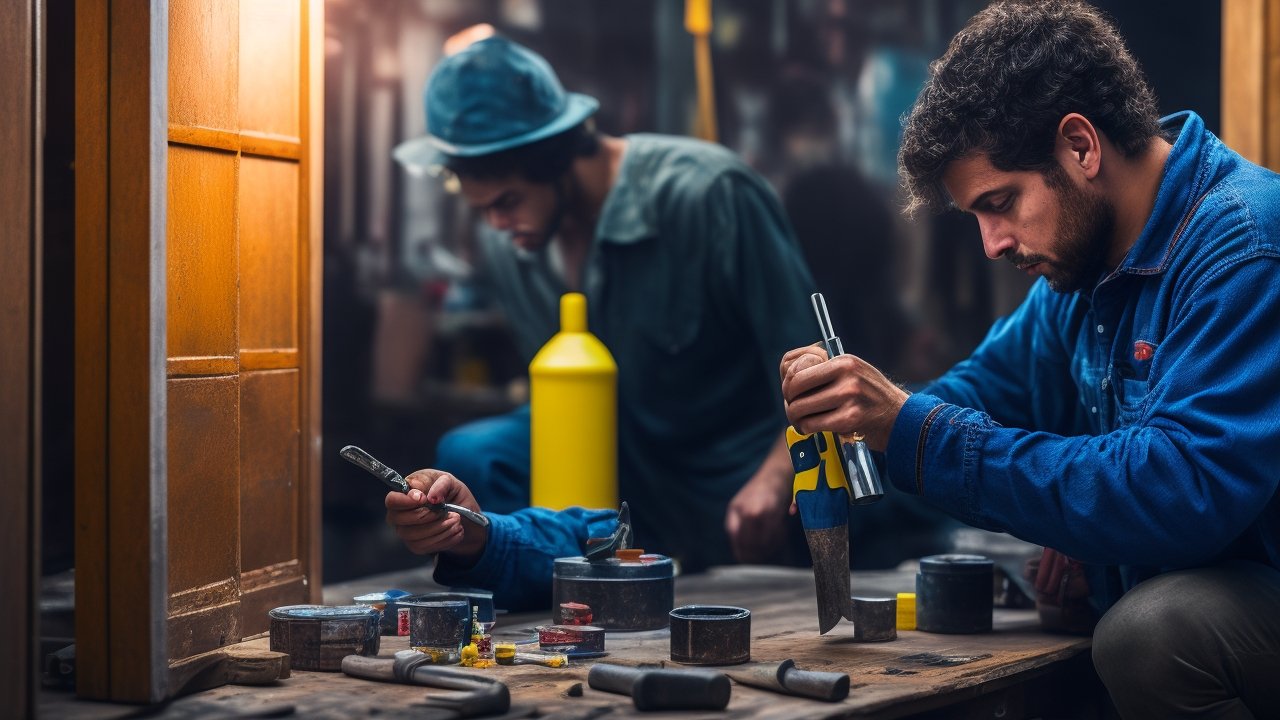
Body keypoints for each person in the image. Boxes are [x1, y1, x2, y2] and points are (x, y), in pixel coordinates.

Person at [779, 2, 1280, 717]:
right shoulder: (1084, 271)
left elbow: (1181, 487)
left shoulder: (1245, 243)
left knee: (1151, 631)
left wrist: (912, 427)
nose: (992, 243)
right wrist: (865, 414)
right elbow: (984, 392)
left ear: (1080, 146)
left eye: (1001, 203)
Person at [392, 35, 818, 571]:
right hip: (613, 470)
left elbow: (817, 364)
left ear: (557, 158)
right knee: (472, 454)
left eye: (508, 202)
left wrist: (777, 476)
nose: (497, 225)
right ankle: (519, 600)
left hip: (723, 474)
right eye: (483, 210)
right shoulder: (509, 246)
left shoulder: (709, 194)